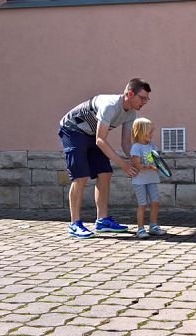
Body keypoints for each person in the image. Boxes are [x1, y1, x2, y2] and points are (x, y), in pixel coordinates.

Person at [59, 78, 151, 239]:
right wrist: (123, 164)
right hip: (72, 130)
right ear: (130, 94)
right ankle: (74, 224)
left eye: (147, 99)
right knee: (80, 176)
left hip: (92, 134)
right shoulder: (110, 106)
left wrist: (136, 160)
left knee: (105, 172)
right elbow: (100, 140)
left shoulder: (131, 113)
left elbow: (125, 143)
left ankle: (102, 221)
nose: (144, 102)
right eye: (142, 98)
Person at [129, 117, 167, 239]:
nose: (151, 134)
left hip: (152, 179)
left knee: (155, 202)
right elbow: (137, 165)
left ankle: (153, 226)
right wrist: (149, 167)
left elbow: (157, 161)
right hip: (140, 181)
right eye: (148, 132)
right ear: (140, 132)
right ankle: (140, 229)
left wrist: (158, 166)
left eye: (151, 132)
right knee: (142, 204)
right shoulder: (136, 147)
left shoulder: (152, 146)